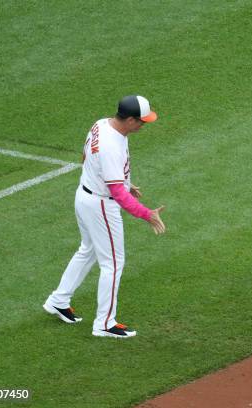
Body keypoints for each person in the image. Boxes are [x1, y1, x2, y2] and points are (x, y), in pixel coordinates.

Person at [43, 95, 165, 338]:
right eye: (142, 121)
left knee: (88, 250)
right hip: (101, 205)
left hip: (85, 195)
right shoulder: (111, 146)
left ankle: (58, 300)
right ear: (130, 120)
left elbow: (87, 157)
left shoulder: (102, 124)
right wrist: (146, 214)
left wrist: (126, 183)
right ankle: (105, 323)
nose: (144, 125)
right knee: (113, 263)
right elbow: (117, 193)